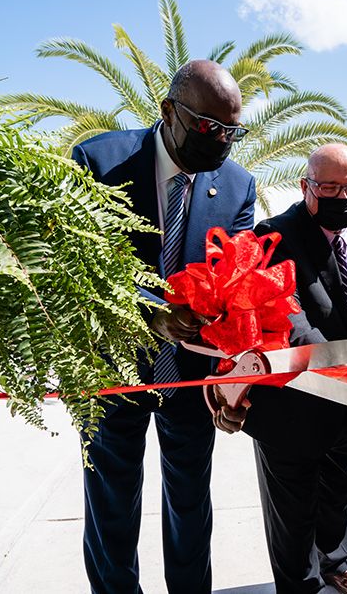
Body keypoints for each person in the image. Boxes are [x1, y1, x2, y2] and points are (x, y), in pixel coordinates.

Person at [72, 60, 256, 594]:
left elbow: (238, 281)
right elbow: (77, 267)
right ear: (168, 111)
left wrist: (233, 378)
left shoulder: (238, 185)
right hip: (113, 372)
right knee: (111, 502)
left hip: (191, 379)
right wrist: (149, 310)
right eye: (208, 127)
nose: (221, 142)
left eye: (232, 131)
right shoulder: (98, 161)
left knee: (191, 503)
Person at [218, 144, 347, 594]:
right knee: (292, 508)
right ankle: (300, 584)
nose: (342, 196)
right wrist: (344, 372)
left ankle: (338, 563)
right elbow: (290, 322)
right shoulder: (273, 236)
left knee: (340, 487)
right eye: (329, 187)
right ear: (305, 186)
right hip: (291, 401)